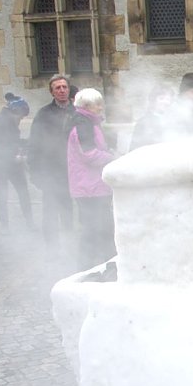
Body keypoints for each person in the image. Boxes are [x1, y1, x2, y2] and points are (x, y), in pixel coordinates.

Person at [66, 88, 117, 270]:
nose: (101, 107)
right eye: (98, 104)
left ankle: (102, 265)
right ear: (87, 106)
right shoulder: (82, 124)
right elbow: (89, 154)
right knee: (94, 229)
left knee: (100, 228)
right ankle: (90, 267)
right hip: (88, 188)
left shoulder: (89, 122)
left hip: (93, 186)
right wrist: (112, 158)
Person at [28, 74, 76, 245]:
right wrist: (35, 173)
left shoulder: (77, 112)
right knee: (50, 211)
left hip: (71, 171)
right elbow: (34, 144)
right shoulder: (44, 114)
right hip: (50, 171)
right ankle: (52, 248)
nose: (62, 90)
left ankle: (70, 243)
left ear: (69, 89)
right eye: (58, 88)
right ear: (52, 92)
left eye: (64, 87)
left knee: (68, 210)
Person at [0, 93, 35, 231]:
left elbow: (12, 142)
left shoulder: (9, 121)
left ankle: (29, 222)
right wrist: (15, 156)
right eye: (21, 116)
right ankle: (5, 226)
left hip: (12, 164)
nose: (21, 119)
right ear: (14, 112)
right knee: (3, 193)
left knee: (22, 192)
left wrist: (26, 145)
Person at [130, 85, 175, 151]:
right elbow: (134, 149)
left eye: (168, 99)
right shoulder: (143, 122)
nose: (165, 102)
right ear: (153, 100)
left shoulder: (174, 121)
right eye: (161, 98)